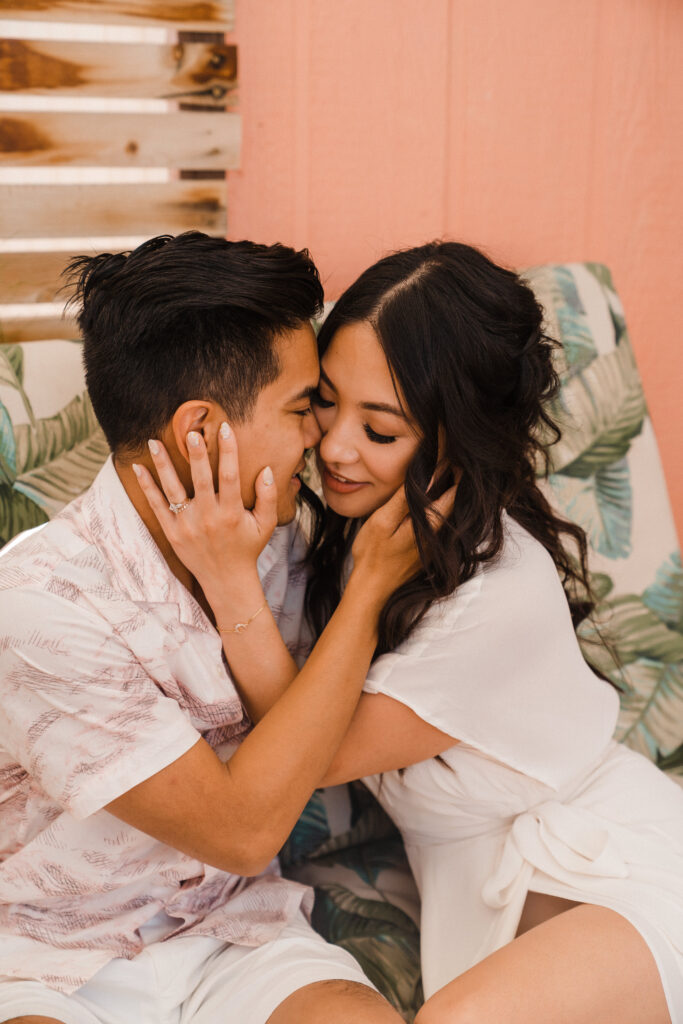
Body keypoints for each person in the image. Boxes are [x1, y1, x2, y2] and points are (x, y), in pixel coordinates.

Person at [138, 241, 683, 1024]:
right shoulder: (347, 529)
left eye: (381, 430)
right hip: (489, 895)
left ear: (455, 442)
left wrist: (234, 584)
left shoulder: (500, 593)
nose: (334, 448)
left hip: (619, 868)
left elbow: (307, 755)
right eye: (324, 402)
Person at [0, 232, 441, 1024]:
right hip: (44, 958)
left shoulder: (279, 537)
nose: (322, 437)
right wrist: (367, 593)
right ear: (201, 431)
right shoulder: (41, 606)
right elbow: (239, 833)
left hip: (229, 933)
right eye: (303, 405)